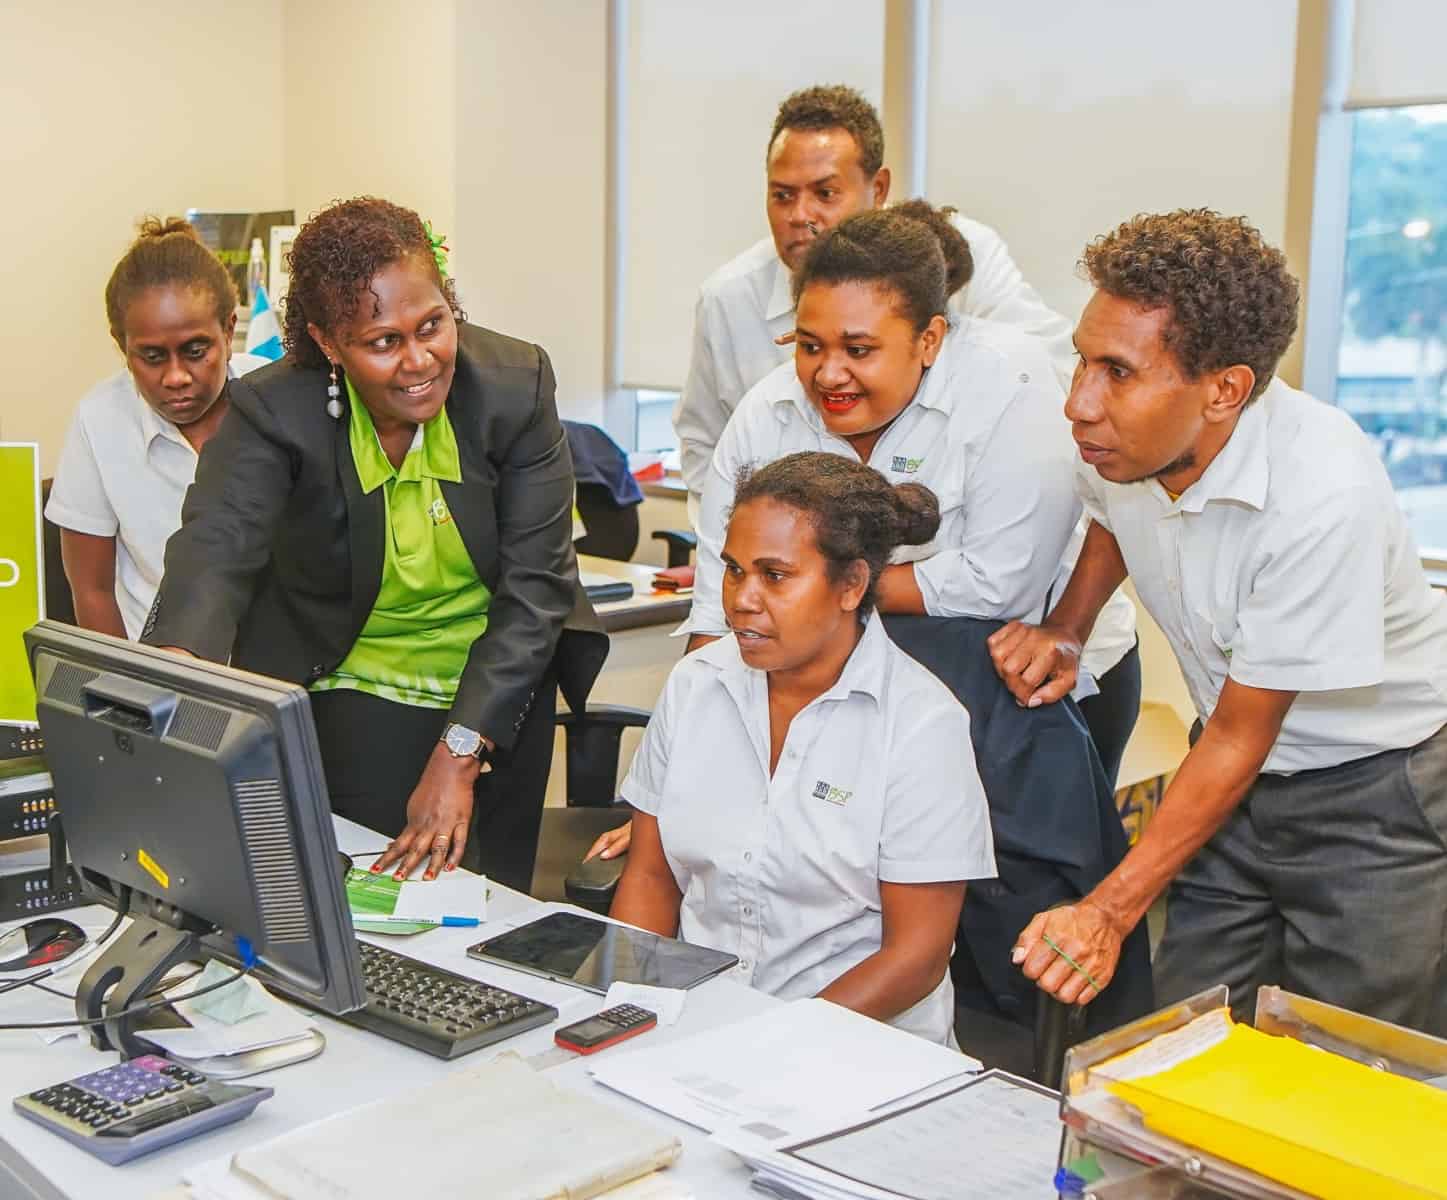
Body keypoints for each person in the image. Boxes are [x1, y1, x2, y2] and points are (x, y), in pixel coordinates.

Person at [992, 210, 1447, 1035]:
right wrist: (1066, 625)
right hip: (1229, 780)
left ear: (1224, 390)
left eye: (1118, 373)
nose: (1077, 405)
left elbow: (1243, 734)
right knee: (1184, 1036)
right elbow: (1107, 518)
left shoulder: (1319, 497)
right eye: (1080, 362)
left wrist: (1106, 910)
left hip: (1374, 795)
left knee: (1342, 1055)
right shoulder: (1126, 449)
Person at [669, 82, 1139, 786]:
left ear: (929, 341)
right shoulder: (765, 412)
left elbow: (996, 584)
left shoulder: (1010, 382)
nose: (827, 374)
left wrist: (811, 590)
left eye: (858, 351)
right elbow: (719, 606)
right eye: (807, 345)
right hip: (863, 682)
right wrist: (687, 772)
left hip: (1028, 679)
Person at [143, 197, 606, 890]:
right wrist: (177, 676)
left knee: (492, 913)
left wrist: (460, 751)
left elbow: (536, 587)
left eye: (432, 326)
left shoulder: (515, 385)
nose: (419, 360)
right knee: (371, 906)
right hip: (354, 692)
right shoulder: (273, 410)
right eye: (384, 341)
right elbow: (217, 543)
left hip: (499, 688)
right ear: (329, 342)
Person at [610, 452, 996, 1044]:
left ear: (852, 585)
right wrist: (635, 1012)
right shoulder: (697, 685)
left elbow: (914, 956)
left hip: (856, 1048)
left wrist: (771, 1043)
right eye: (734, 570)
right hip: (697, 1027)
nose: (741, 598)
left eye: (776, 575)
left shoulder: (921, 725)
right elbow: (652, 877)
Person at [673, 83, 1075, 506]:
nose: (800, 215)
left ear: (879, 189)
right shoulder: (728, 298)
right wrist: (730, 546)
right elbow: (704, 442)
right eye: (782, 196)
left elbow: (1053, 372)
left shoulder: (955, 254)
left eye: (825, 193)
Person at [45, 218, 269, 639]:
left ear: (229, 329)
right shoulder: (99, 420)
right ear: (122, 346)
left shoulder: (276, 399)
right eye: (151, 357)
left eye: (196, 351)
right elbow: (91, 591)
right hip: (159, 672)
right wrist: (129, 693)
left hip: (274, 663)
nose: (176, 377)